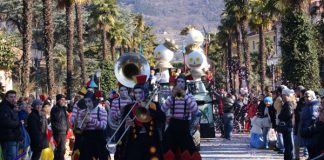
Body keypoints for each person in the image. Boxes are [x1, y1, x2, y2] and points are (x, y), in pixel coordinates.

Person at [114, 75, 166, 160]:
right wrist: (126, 125)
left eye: (140, 92)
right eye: (136, 92)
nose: (137, 95)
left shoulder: (153, 105)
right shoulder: (129, 107)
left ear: (145, 92)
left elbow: (162, 119)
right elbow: (122, 128)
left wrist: (149, 110)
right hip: (135, 142)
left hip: (151, 141)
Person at [162, 74, 201, 160]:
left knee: (188, 151)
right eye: (178, 81)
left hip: (184, 126)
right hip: (173, 125)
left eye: (182, 82)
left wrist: (185, 96)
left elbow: (195, 110)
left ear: (185, 84)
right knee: (166, 148)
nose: (180, 83)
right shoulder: (172, 97)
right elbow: (163, 109)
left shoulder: (190, 96)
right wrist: (172, 97)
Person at [78, 91, 110, 160]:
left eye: (89, 101)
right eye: (86, 102)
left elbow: (103, 126)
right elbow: (79, 128)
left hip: (99, 139)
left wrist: (91, 119)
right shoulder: (82, 112)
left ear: (93, 101)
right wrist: (83, 124)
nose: (87, 104)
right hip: (87, 139)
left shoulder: (102, 111)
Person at [0, 90, 23, 160]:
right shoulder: (4, 108)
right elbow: (6, 122)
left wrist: (19, 137)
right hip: (8, 139)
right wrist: (19, 123)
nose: (13, 99)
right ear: (6, 98)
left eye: (14, 97)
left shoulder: (10, 107)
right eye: (11, 97)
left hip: (13, 138)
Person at [300, 90, 320, 159]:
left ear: (312, 96)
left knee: (313, 154)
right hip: (306, 132)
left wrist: (308, 129)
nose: (305, 98)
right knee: (310, 152)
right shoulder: (307, 105)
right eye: (304, 97)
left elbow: (314, 119)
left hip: (312, 132)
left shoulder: (314, 106)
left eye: (307, 96)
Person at [278, 88, 296, 160]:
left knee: (289, 144)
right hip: (287, 127)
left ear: (287, 95)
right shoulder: (286, 104)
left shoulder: (288, 104)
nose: (282, 97)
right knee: (287, 144)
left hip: (288, 126)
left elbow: (288, 114)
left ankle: (290, 157)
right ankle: (287, 157)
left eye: (283, 95)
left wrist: (280, 116)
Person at [50, 94, 69, 160]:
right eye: (62, 100)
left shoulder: (62, 108)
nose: (64, 101)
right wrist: (63, 108)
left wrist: (67, 129)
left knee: (61, 149)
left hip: (63, 131)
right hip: (58, 132)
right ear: (58, 100)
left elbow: (65, 120)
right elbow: (57, 118)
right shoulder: (55, 109)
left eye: (64, 100)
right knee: (60, 150)